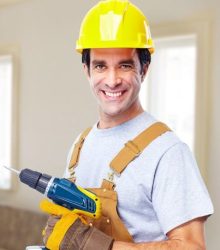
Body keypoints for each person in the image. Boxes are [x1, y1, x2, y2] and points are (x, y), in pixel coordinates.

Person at [40, 0, 214, 249]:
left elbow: (192, 247)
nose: (112, 81)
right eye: (100, 66)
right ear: (87, 71)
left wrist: (105, 246)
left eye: (125, 65)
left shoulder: (168, 152)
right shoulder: (80, 145)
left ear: (144, 69)